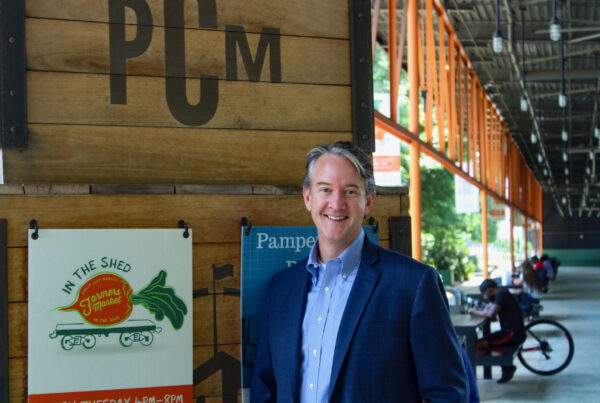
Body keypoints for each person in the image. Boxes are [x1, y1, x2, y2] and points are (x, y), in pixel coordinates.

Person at [251, 142, 468, 402]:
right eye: (325, 190)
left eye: (350, 192)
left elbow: (447, 392)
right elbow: (264, 389)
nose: (336, 203)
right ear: (308, 197)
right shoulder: (281, 289)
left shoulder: (413, 285)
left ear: (368, 202)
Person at [469, 279, 526, 383]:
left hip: (512, 334)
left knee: (476, 346)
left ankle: (506, 366)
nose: (486, 297)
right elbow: (492, 314)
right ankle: (505, 366)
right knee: (479, 344)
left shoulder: (501, 294)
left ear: (490, 290)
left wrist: (474, 311)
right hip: (510, 332)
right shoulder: (502, 293)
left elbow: (491, 315)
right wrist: (484, 310)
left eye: (486, 294)